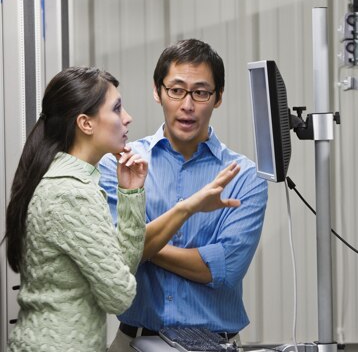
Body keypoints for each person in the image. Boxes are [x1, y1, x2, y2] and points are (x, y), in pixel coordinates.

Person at [4, 66, 241, 352]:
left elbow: (123, 266)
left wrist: (131, 193)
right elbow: (119, 295)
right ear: (86, 124)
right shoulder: (70, 194)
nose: (127, 117)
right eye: (117, 109)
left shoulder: (78, 182)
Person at [100, 39, 268, 351]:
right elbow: (114, 256)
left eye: (201, 92)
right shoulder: (120, 164)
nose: (187, 105)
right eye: (176, 90)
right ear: (157, 91)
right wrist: (129, 247)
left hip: (216, 344)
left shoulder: (244, 177)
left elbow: (223, 270)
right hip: (133, 340)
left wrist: (140, 245)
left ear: (217, 98)